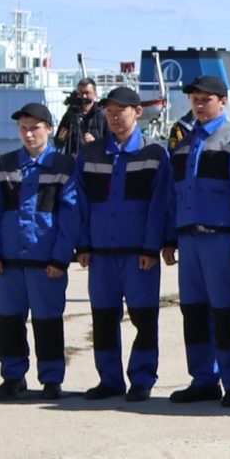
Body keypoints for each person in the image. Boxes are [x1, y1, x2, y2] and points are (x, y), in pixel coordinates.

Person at [69, 85, 174, 401]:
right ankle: (110, 380)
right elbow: (79, 202)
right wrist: (83, 245)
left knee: (144, 319)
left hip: (138, 255)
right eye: (109, 112)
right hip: (101, 255)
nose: (114, 117)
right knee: (103, 319)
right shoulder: (90, 154)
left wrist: (151, 246)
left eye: (121, 111)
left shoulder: (155, 155)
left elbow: (161, 204)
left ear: (137, 112)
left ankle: (142, 379)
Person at [162, 76, 230, 405]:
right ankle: (203, 378)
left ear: (222, 101)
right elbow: (173, 195)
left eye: (207, 99)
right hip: (189, 239)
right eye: (195, 99)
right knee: (193, 312)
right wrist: (169, 238)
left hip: (221, 238)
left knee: (227, 311)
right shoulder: (185, 143)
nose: (200, 104)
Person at [0, 100, 81, 399]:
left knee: (47, 321)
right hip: (8, 262)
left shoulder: (64, 167)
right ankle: (13, 376)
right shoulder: (4, 165)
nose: (28, 134)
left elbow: (71, 215)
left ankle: (51, 379)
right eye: (23, 129)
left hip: (46, 262)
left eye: (35, 128)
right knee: (8, 321)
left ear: (49, 129)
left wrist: (61, 257)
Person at [56, 79, 105, 158]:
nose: (84, 96)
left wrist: (95, 142)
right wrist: (61, 138)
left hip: (94, 161)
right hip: (73, 162)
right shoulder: (71, 114)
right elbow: (57, 142)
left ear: (95, 94)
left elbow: (112, 142)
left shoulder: (102, 115)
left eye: (87, 93)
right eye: (81, 93)